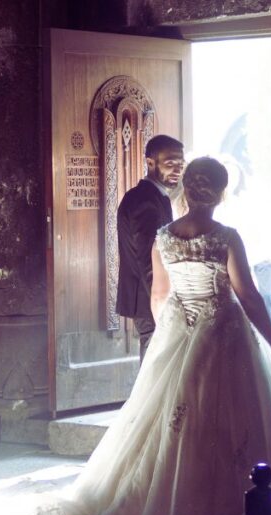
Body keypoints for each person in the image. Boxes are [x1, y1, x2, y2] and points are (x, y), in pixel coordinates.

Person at [33, 157, 271, 515]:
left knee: (174, 421)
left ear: (185, 190)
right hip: (225, 333)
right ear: (221, 194)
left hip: (178, 331)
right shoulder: (226, 236)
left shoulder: (164, 237)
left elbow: (159, 296)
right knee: (235, 421)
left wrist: (173, 339)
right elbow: (250, 297)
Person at [116, 134, 185, 360]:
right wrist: (161, 305)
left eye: (180, 164)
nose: (177, 169)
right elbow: (147, 258)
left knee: (155, 366)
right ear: (150, 162)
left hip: (151, 296)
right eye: (170, 163)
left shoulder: (155, 196)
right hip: (149, 299)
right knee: (153, 368)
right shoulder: (145, 200)